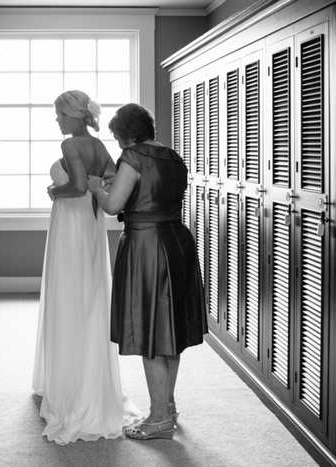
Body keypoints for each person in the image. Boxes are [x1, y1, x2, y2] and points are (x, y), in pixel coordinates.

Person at [87, 103, 207, 441]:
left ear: (126, 135)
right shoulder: (173, 156)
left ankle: (157, 419)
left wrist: (98, 185)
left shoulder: (133, 157)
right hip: (178, 242)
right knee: (170, 329)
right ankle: (167, 405)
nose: (119, 145)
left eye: (118, 138)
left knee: (152, 330)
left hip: (147, 245)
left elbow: (113, 206)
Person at [32, 90, 141, 445]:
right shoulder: (99, 146)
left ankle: (70, 387)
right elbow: (108, 182)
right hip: (91, 229)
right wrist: (95, 189)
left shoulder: (71, 146)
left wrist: (54, 190)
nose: (58, 120)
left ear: (77, 116)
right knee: (89, 295)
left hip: (70, 227)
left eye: (61, 114)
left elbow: (78, 187)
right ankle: (89, 378)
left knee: (68, 295)